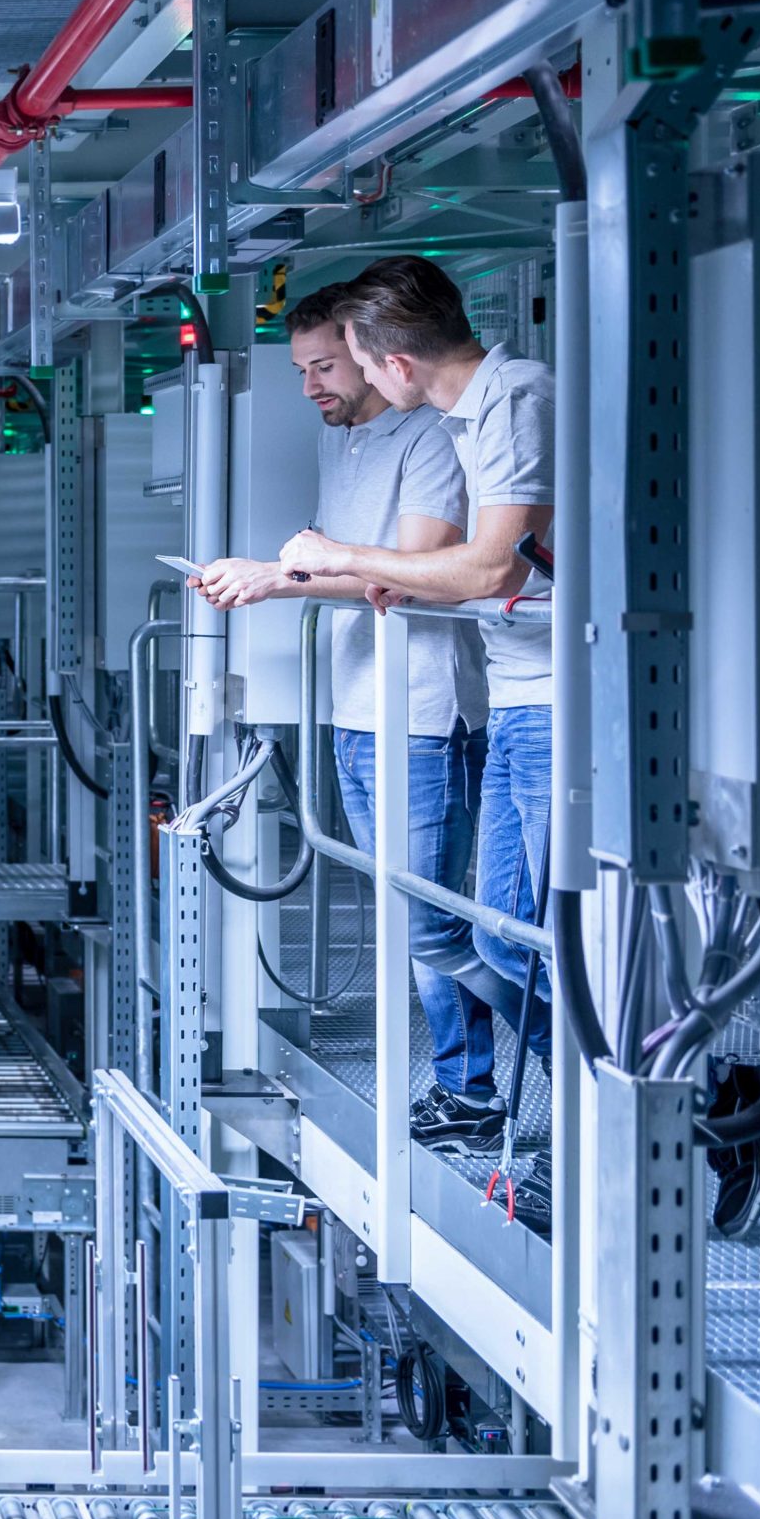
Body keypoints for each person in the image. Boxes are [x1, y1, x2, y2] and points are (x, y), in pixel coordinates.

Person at [195, 283, 501, 1151]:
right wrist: (273, 572)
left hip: (423, 710)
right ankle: (470, 1087)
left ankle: (500, 1082)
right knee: (414, 920)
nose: (311, 387)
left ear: (374, 355)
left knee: (426, 921)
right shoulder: (348, 440)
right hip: (356, 706)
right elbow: (343, 564)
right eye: (301, 370)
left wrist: (273, 576)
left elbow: (412, 569)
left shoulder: (432, 439)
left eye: (325, 365)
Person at [280, 258, 557, 1091]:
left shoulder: (516, 400)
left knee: (518, 937)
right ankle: (610, 1109)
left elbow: (487, 571)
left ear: (394, 363)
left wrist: (337, 558)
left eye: (350, 363)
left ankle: (664, 1115)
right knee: (501, 938)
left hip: (550, 700)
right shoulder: (472, 419)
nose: (345, 381)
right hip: (515, 698)